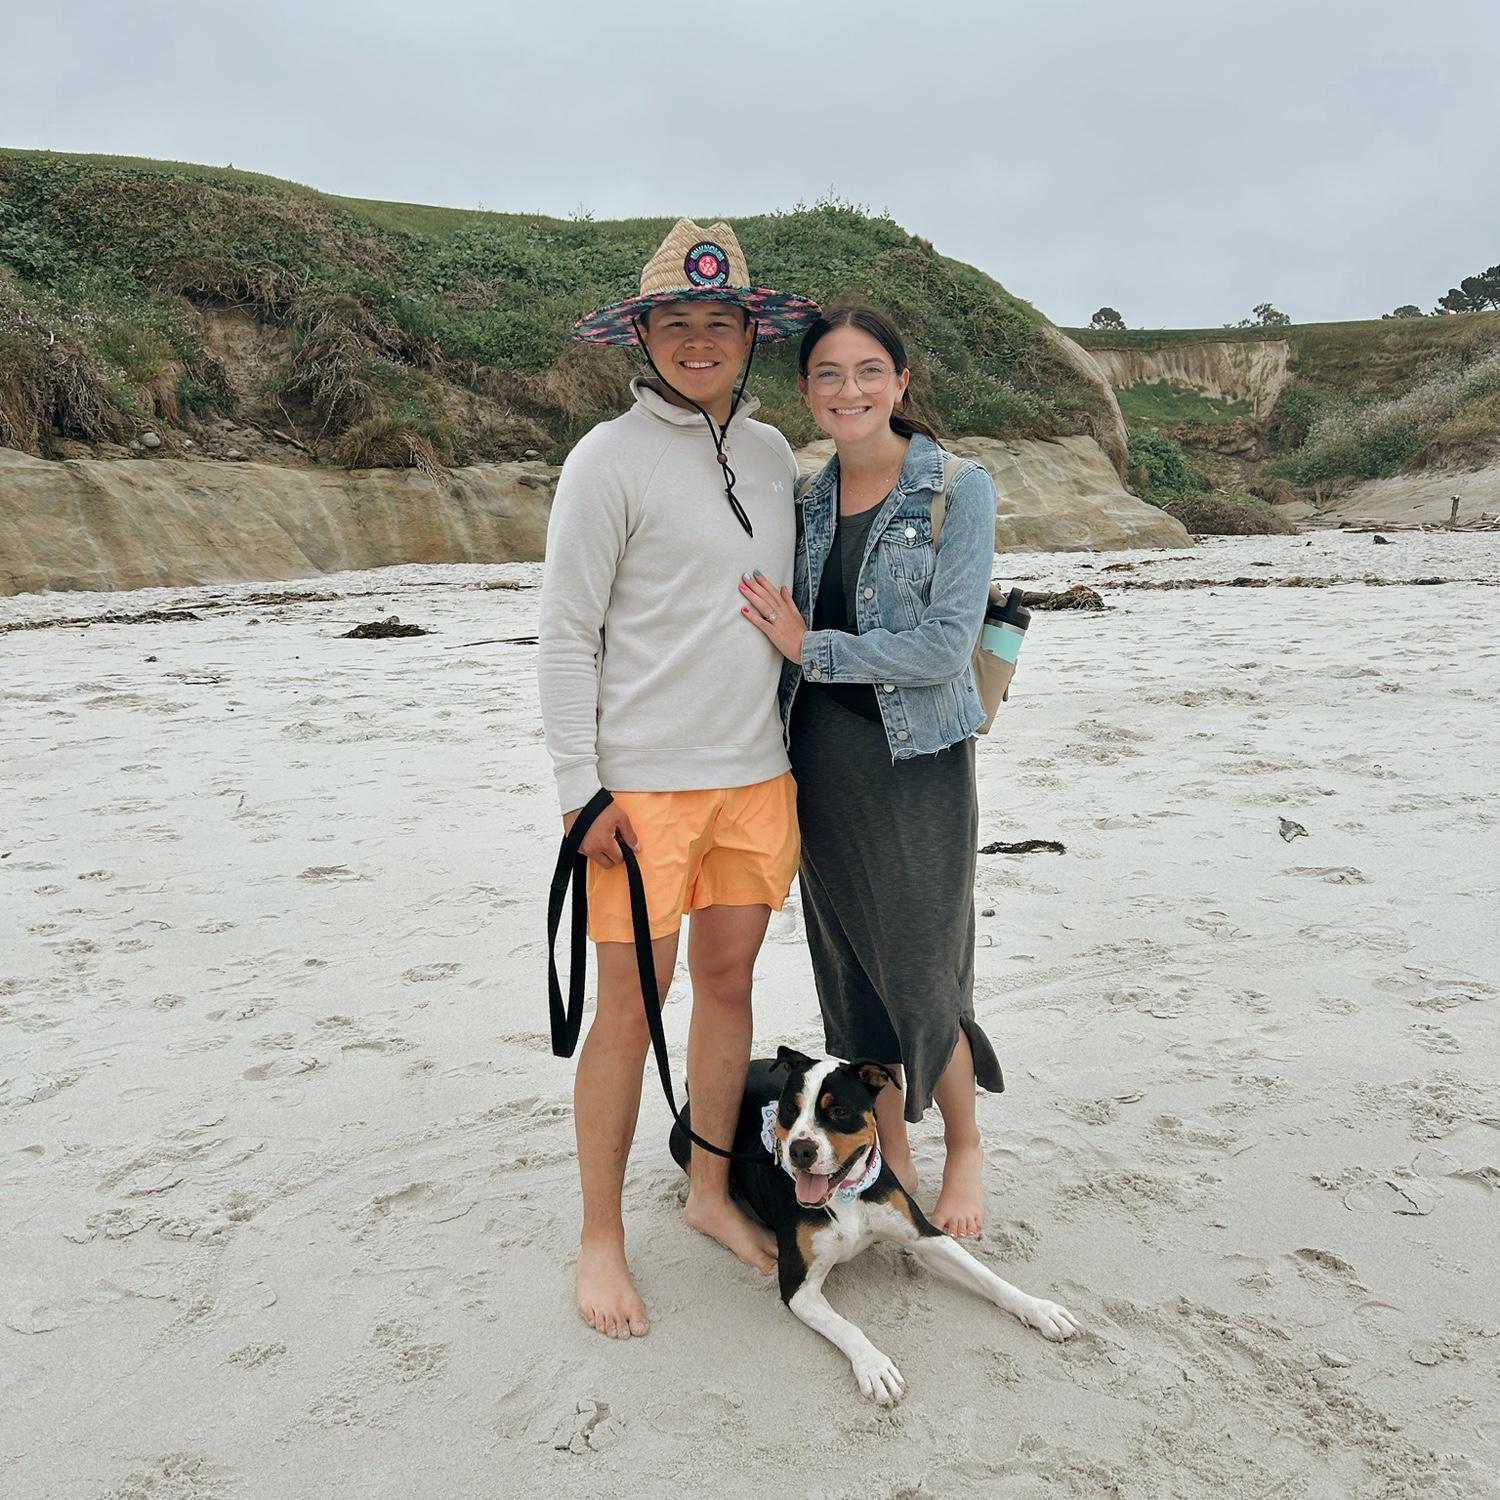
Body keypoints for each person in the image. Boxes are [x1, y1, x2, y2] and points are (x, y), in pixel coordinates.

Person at [538, 219, 819, 1338]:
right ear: (642, 336)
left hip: (757, 776)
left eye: (719, 321)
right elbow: (567, 634)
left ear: (750, 334)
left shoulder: (772, 453)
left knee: (731, 986)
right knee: (629, 1010)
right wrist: (580, 791)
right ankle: (600, 1236)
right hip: (642, 790)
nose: (698, 340)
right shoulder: (605, 459)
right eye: (675, 322)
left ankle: (707, 1191)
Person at [738, 306, 1004, 1239]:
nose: (847, 391)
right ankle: (892, 1157)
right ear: (806, 390)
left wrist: (812, 648)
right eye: (827, 374)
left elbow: (942, 646)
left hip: (917, 760)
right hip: (818, 762)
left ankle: (964, 1147)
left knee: (925, 971)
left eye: (867, 372)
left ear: (899, 382)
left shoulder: (956, 488)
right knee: (851, 973)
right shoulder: (806, 498)